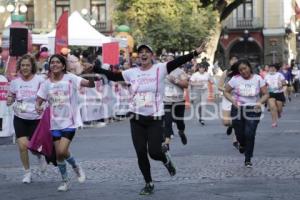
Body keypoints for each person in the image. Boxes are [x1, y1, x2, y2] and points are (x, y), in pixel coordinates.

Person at [93, 43, 206, 195]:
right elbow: (113, 76)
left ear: (152, 55)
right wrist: (95, 68)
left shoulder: (160, 69)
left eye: (147, 52)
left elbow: (178, 62)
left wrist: (195, 52)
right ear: (138, 56)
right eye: (141, 52)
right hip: (136, 118)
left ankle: (165, 159)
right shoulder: (132, 72)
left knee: (154, 152)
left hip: (155, 118)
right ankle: (149, 183)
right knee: (140, 152)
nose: (144, 54)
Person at [35, 54, 95, 191]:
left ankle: (75, 167)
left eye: (57, 62)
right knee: (60, 154)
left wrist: (90, 73)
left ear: (63, 65)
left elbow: (90, 84)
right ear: (49, 66)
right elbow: (38, 100)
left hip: (70, 122)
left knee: (61, 151)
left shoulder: (71, 78)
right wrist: (38, 107)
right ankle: (65, 181)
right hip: (54, 123)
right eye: (52, 62)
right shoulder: (46, 84)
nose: (54, 64)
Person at [6, 54, 47, 183]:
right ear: (19, 67)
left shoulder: (40, 81)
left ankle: (40, 156)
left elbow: (46, 96)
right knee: (23, 146)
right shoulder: (15, 82)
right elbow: (11, 95)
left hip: (36, 118)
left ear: (32, 67)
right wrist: (9, 100)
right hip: (20, 117)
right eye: (23, 65)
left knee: (34, 148)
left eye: (27, 65)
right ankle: (27, 173)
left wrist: (42, 106)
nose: (25, 68)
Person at [224, 59, 269, 168]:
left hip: (253, 109)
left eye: (245, 68)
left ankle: (248, 159)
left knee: (250, 133)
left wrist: (259, 102)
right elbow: (226, 91)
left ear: (249, 67)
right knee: (239, 133)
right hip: (238, 108)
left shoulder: (258, 79)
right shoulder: (235, 79)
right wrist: (233, 101)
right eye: (241, 70)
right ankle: (242, 144)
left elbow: (266, 94)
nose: (243, 71)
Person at [163, 53, 189, 145]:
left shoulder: (180, 72)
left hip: (178, 101)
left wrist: (175, 80)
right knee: (167, 121)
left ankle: (181, 132)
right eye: (167, 59)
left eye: (171, 59)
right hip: (166, 101)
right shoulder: (162, 72)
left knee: (179, 121)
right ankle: (167, 141)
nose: (169, 61)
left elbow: (186, 85)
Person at [218, 56, 239, 148]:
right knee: (226, 122)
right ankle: (231, 125)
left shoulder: (241, 73)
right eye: (232, 60)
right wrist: (227, 90)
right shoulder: (226, 72)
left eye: (236, 60)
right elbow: (219, 86)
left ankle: (235, 141)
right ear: (230, 62)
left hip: (237, 99)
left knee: (236, 119)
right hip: (227, 98)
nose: (234, 61)